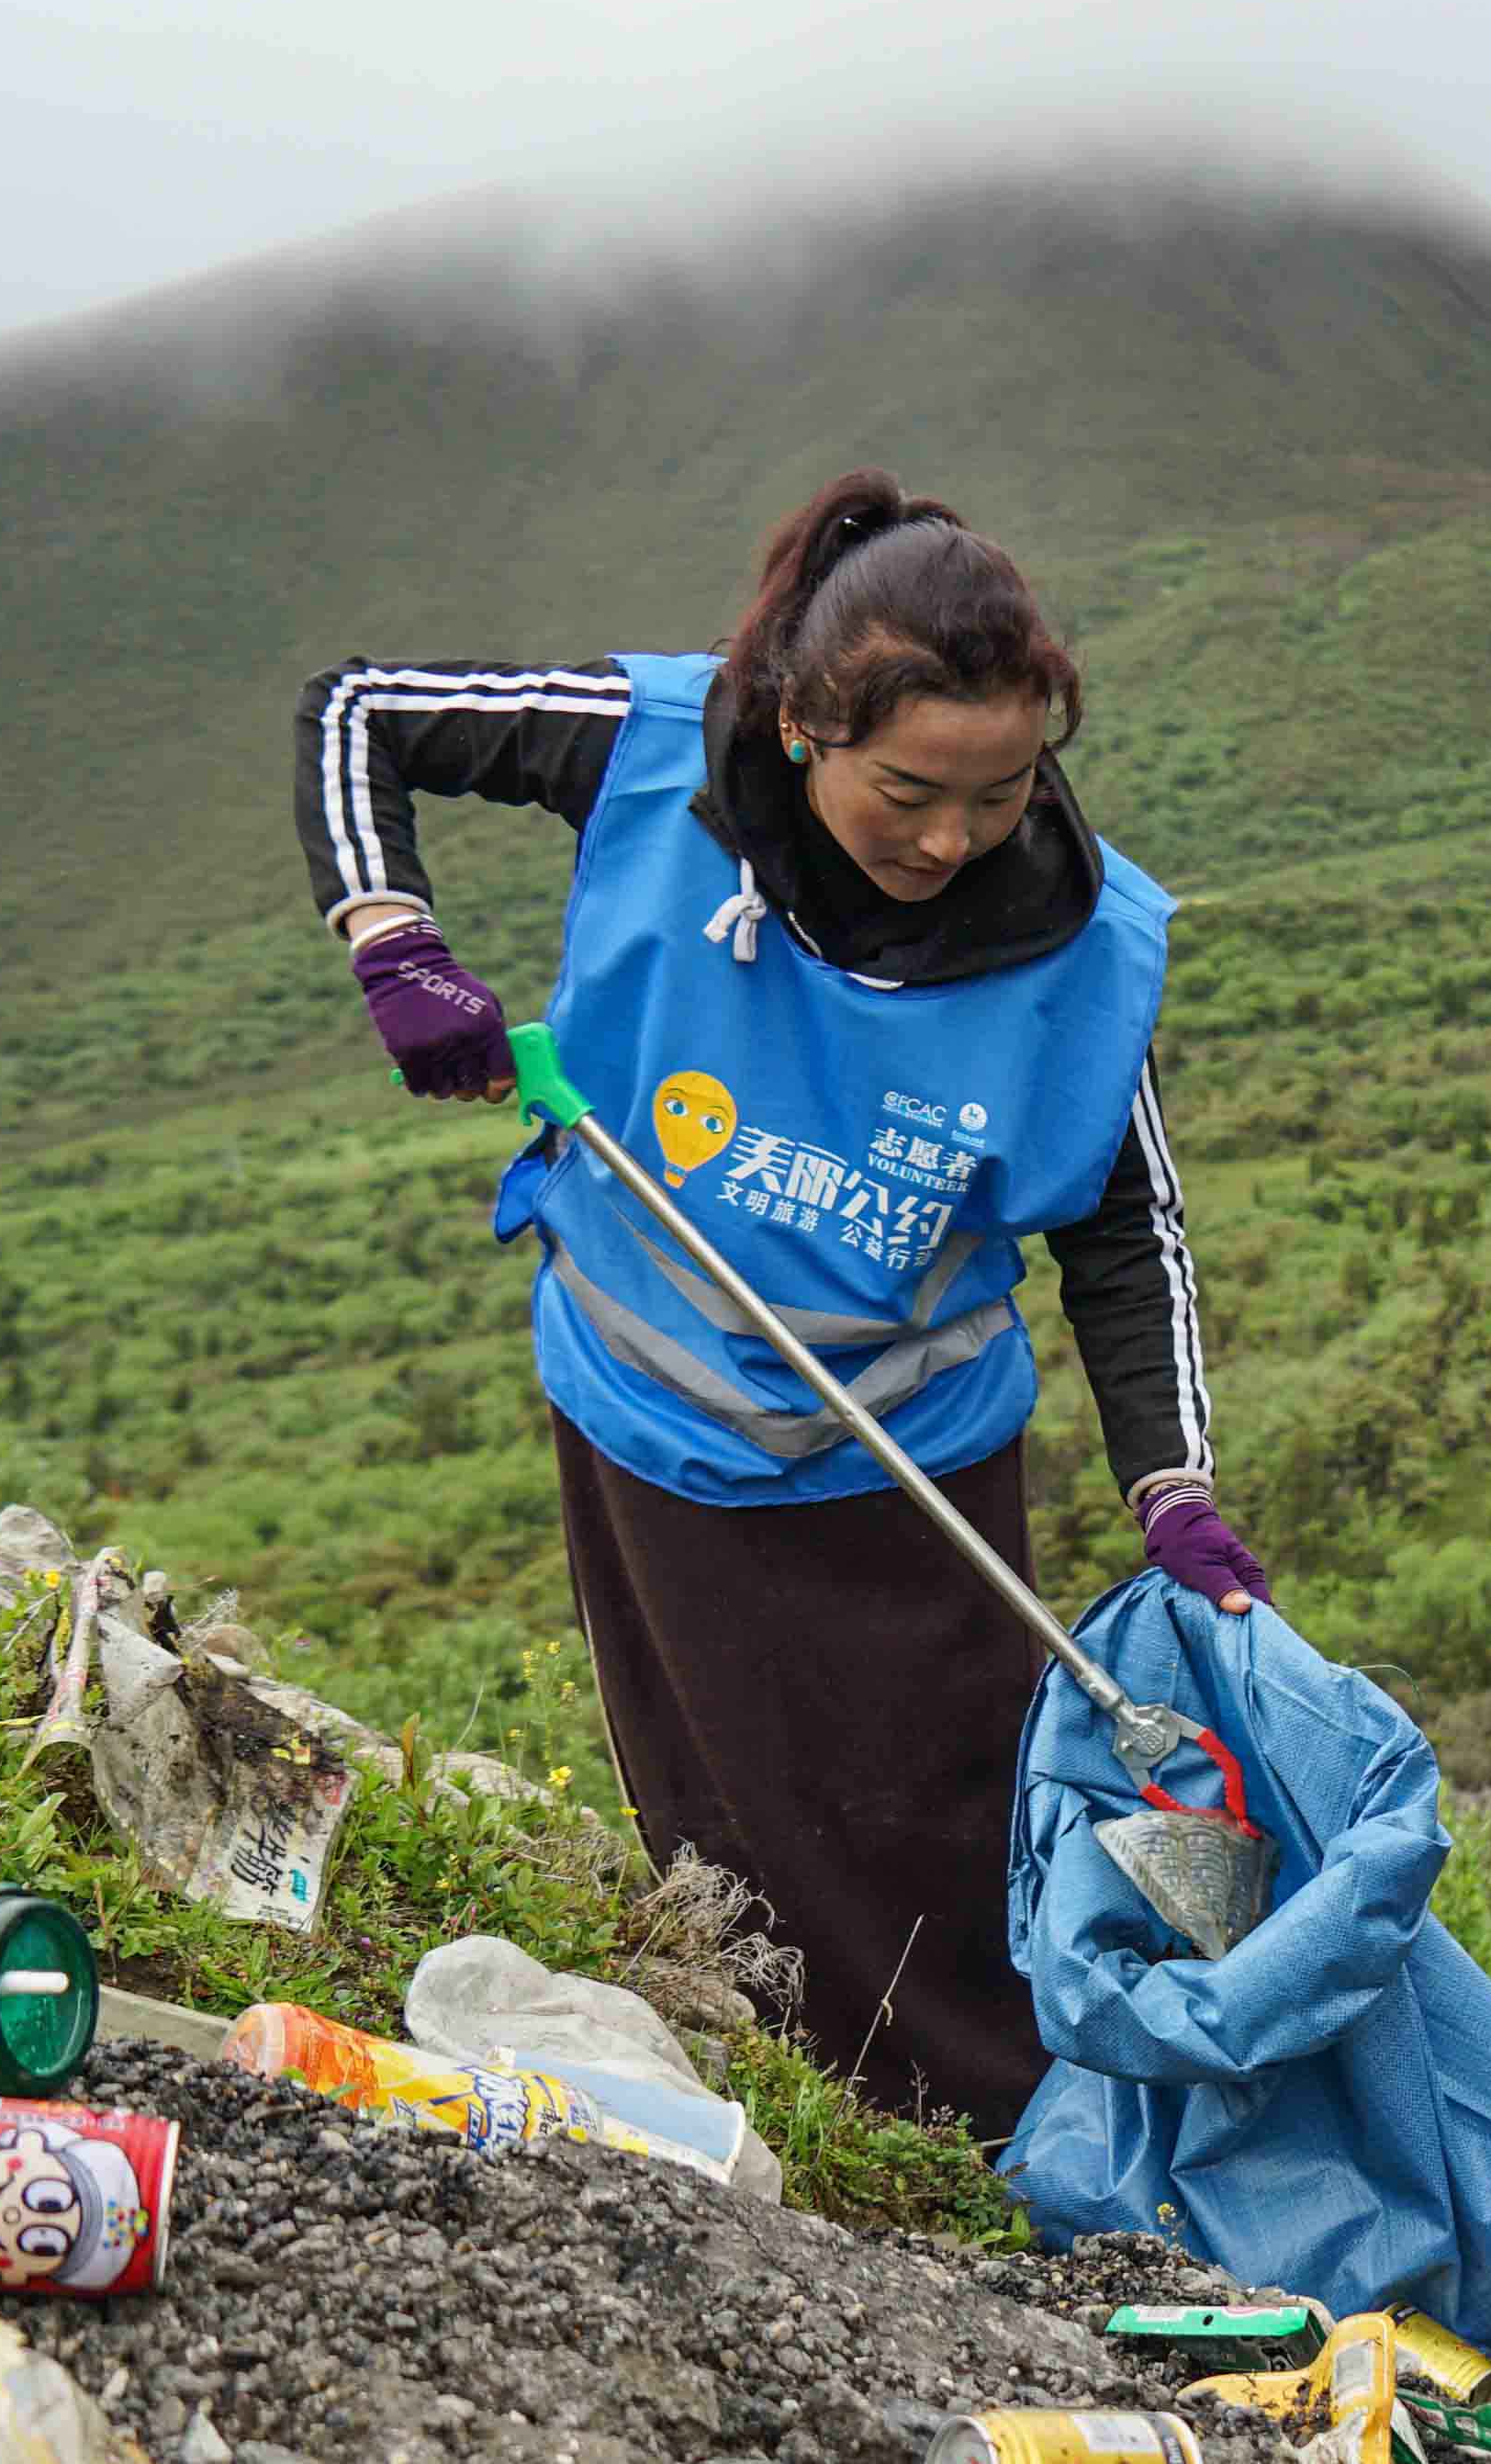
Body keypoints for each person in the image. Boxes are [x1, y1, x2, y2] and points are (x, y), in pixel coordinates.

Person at [290, 472, 1259, 2138]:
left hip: (914, 1472)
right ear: (805, 728)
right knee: (722, 1822)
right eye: (909, 793)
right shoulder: (651, 747)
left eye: (1006, 793)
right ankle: (809, 2129)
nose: (955, 842)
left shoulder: (1086, 950)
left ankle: (1016, 2157)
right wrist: (392, 932)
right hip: (648, 1426)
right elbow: (357, 712)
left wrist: (1172, 1481)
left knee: (953, 1846)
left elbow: (1129, 1229)